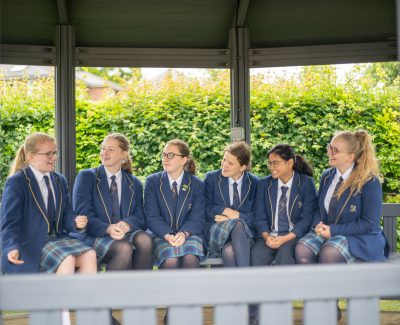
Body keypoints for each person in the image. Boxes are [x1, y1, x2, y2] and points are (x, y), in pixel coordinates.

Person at [0, 132, 97, 325]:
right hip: (31, 243)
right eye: (49, 154)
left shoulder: (59, 180)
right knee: (67, 259)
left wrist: (75, 222)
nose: (54, 158)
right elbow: (9, 222)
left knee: (90, 254)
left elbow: (66, 215)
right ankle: (61, 320)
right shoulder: (17, 182)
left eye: (55, 153)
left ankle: (89, 316)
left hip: (57, 239)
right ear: (31, 156)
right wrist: (11, 247)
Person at [295, 130, 389, 320]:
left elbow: (369, 224)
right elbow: (318, 209)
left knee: (329, 251)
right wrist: (318, 226)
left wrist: (333, 231)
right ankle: (325, 303)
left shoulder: (369, 181)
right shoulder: (327, 176)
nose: (329, 152)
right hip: (328, 232)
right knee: (302, 248)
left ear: (350, 156)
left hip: (360, 238)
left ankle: (327, 308)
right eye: (330, 147)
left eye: (335, 149)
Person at [72, 133, 153, 271]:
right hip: (95, 234)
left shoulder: (135, 183)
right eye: (103, 148)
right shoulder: (87, 177)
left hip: (125, 232)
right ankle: (109, 292)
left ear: (124, 154)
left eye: (111, 149)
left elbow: (141, 216)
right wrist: (108, 228)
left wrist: (128, 223)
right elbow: (84, 215)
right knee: (124, 247)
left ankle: (140, 289)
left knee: (145, 240)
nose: (104, 153)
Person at [251, 144, 317, 266]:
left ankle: (285, 285)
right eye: (269, 163)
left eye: (275, 163)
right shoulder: (264, 184)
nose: (271, 167)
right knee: (257, 254)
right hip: (270, 235)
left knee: (285, 253)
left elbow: (306, 219)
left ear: (290, 163)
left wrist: (284, 239)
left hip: (293, 235)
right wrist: (267, 236)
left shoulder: (306, 183)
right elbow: (259, 216)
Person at [145, 139, 205, 270]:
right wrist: (167, 234)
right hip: (161, 235)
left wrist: (184, 233)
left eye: (171, 155)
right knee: (170, 260)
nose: (166, 159)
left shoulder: (197, 185)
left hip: (189, 234)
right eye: (164, 155)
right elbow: (152, 217)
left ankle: (191, 291)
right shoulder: (153, 182)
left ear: (184, 159)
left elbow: (197, 218)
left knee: (190, 257)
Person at [204, 141, 259, 267]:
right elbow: (205, 208)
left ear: (242, 167)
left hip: (244, 233)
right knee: (238, 223)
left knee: (229, 251)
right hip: (216, 229)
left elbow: (257, 216)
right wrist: (226, 211)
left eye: (231, 163)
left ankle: (235, 286)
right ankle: (246, 279)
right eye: (224, 160)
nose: (225, 165)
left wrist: (236, 216)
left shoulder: (255, 183)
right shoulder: (211, 179)